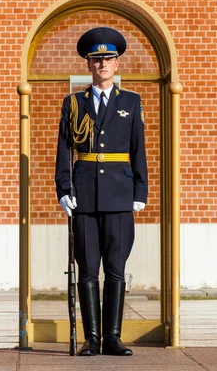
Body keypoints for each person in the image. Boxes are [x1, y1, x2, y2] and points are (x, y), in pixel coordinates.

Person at [54, 27, 148, 356]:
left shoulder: (131, 102)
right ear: (88, 65)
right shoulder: (74, 102)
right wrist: (63, 188)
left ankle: (113, 337)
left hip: (120, 194)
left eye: (108, 59)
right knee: (88, 266)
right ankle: (92, 338)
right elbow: (65, 149)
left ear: (117, 64)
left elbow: (139, 150)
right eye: (96, 59)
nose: (103, 64)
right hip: (84, 194)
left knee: (116, 268)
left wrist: (141, 189)